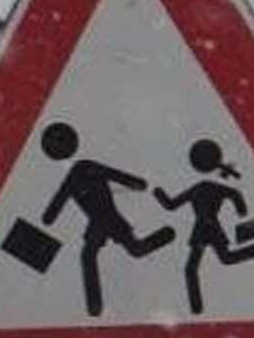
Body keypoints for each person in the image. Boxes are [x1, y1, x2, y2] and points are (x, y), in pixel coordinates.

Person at [40, 122, 175, 317]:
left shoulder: (81, 170)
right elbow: (58, 201)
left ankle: (167, 234)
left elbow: (57, 204)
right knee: (100, 254)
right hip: (100, 220)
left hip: (107, 218)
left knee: (124, 251)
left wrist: (137, 183)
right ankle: (94, 307)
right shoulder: (81, 171)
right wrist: (137, 183)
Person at [154, 139, 254, 315]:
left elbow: (171, 204)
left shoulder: (199, 188)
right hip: (211, 228)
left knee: (193, 268)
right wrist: (241, 210)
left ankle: (196, 307)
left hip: (203, 229)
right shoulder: (214, 188)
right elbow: (235, 194)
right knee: (223, 259)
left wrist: (158, 193)